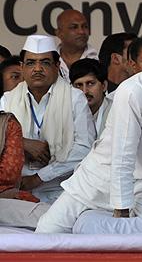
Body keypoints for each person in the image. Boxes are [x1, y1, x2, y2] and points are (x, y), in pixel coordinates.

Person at [36, 37, 142, 233]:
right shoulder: (133, 92)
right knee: (47, 231)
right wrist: (122, 209)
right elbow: (123, 155)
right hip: (103, 176)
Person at [0, 35, 96, 203]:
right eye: (30, 63)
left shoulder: (75, 98)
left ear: (57, 66)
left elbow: (84, 148)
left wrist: (39, 177)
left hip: (61, 190)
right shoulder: (7, 100)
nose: (37, 69)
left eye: (45, 62)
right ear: (22, 67)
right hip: (16, 191)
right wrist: (22, 142)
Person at [69, 58, 111, 137]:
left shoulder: (115, 111)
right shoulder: (66, 113)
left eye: (90, 83)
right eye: (78, 85)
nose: (84, 91)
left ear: (104, 86)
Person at [55, 9, 98, 80]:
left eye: (85, 26)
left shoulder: (98, 60)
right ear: (59, 33)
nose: (81, 31)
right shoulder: (50, 61)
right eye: (74, 27)